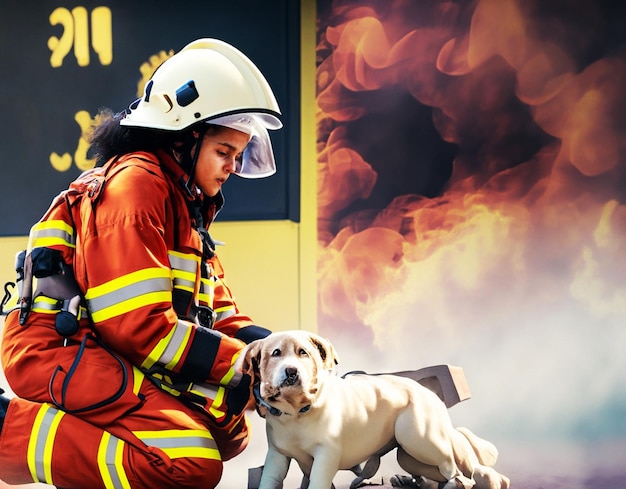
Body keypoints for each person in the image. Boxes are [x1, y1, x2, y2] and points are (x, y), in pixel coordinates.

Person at [0, 38, 282, 488]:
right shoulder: (138, 188)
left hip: (101, 348)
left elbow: (223, 317)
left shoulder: (185, 204)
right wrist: (252, 368)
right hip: (58, 350)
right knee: (190, 461)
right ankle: (6, 432)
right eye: (224, 152)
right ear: (186, 137)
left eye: (238, 154)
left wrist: (287, 354)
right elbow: (138, 327)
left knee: (229, 431)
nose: (233, 166)